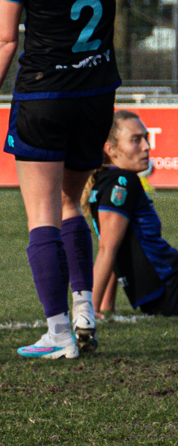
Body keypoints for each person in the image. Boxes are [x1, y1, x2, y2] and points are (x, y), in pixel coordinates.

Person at [0, 0, 158, 359]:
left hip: (43, 97)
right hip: (96, 96)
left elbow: (5, 40)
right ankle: (83, 313)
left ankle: (57, 332)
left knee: (41, 217)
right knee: (71, 203)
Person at [87, 111, 178, 317]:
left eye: (145, 138)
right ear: (111, 150)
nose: (147, 146)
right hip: (169, 286)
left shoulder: (108, 180)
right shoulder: (123, 182)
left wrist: (106, 304)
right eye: (135, 140)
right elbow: (107, 248)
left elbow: (117, 246)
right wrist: (89, 310)